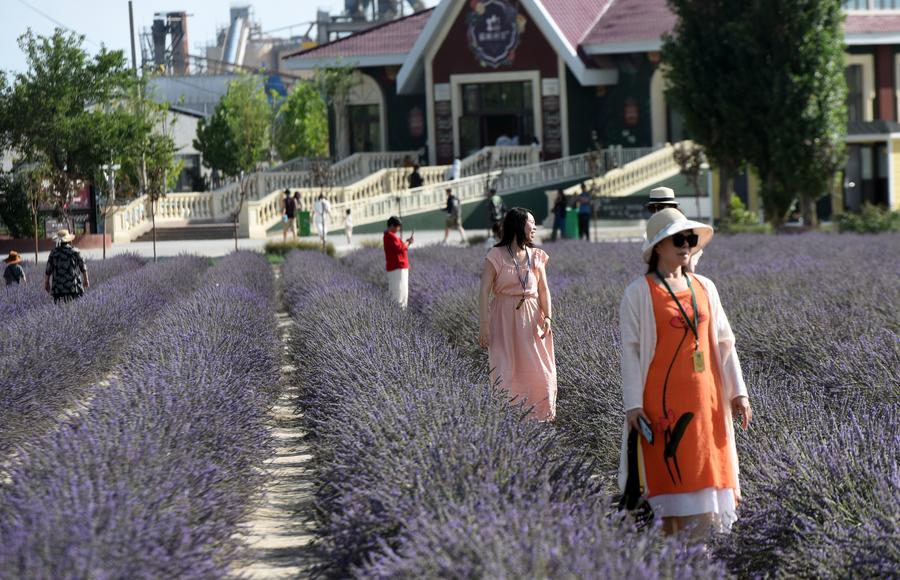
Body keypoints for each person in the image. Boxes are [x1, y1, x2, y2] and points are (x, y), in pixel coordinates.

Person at [618, 208, 752, 542]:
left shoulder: (706, 286)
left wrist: (739, 393)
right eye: (679, 239)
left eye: (690, 239)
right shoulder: (639, 292)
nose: (686, 245)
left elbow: (724, 343)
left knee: (705, 478)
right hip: (661, 408)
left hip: (707, 405)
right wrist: (633, 405)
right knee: (667, 486)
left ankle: (699, 559)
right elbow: (631, 352)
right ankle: (671, 561)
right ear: (658, 246)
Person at [478, 207, 556, 421]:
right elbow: (484, 290)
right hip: (503, 320)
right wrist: (484, 325)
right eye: (532, 222)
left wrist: (548, 316)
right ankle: (510, 420)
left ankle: (540, 418)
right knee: (506, 371)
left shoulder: (537, 256)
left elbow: (543, 290)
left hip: (532, 322)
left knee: (541, 372)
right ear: (519, 225)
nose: (535, 227)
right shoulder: (496, 255)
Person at [646, 187, 701, 271]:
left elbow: (689, 266)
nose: (657, 212)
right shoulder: (653, 228)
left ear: (672, 208)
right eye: (653, 208)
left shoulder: (683, 228)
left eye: (661, 208)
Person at [45, 229, 89, 303]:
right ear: (69, 240)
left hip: (58, 288)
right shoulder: (75, 251)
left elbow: (48, 269)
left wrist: (46, 282)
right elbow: (83, 267)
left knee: (59, 309)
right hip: (73, 287)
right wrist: (86, 279)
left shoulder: (53, 253)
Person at [383, 216, 413, 309]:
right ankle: (400, 312)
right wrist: (408, 242)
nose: (398, 229)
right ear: (392, 226)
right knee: (400, 292)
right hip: (397, 267)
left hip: (396, 267)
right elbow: (400, 249)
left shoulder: (388, 236)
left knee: (398, 291)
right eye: (397, 226)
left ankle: (398, 312)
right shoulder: (390, 236)